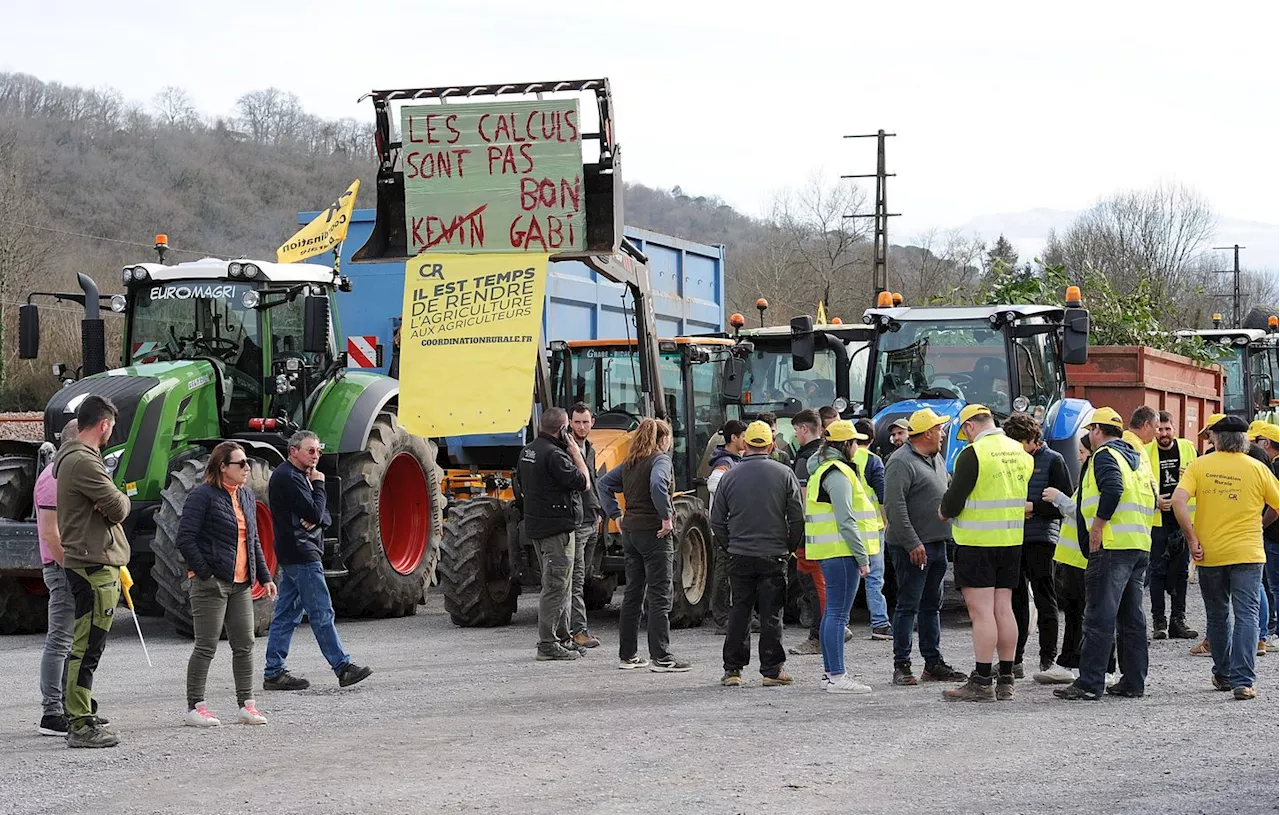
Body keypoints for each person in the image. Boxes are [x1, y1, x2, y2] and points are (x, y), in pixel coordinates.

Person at [1173, 414, 1279, 700]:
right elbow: (1278, 504)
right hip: (1248, 551)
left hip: (1210, 552)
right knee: (1247, 615)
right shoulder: (1257, 468)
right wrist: (1261, 523)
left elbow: (1177, 501)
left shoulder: (1199, 466)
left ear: (1216, 439)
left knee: (1218, 615)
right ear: (1244, 440)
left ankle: (1223, 673)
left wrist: (1192, 537)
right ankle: (1243, 681)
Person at [1054, 407, 1156, 701]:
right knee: (1131, 618)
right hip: (1137, 545)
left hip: (1111, 547)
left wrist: (1097, 527)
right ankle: (1133, 682)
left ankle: (1089, 683)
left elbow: (1112, 488)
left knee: (1099, 616)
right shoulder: (1136, 459)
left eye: (1089, 431)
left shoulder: (1104, 456)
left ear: (1097, 431)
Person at [176, 442, 277, 727]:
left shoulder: (245, 495)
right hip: (212, 584)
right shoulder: (203, 496)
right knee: (206, 645)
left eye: (247, 463)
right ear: (223, 467)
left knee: (245, 644)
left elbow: (253, 539)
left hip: (241, 584)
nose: (247, 468)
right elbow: (185, 538)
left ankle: (247, 705)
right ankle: (195, 707)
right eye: (241, 463)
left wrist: (265, 577)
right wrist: (206, 572)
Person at [940, 404, 1033, 702]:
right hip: (1011, 541)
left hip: (977, 541)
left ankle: (981, 680)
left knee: (981, 613)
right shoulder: (1020, 452)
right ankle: (1006, 678)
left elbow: (953, 502)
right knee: (1003, 608)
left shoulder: (973, 454)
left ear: (968, 426)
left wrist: (943, 511)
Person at [264, 430, 372, 687]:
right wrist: (321, 486)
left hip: (295, 553)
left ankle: (273, 672)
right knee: (321, 612)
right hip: (302, 554)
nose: (316, 456)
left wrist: (318, 517)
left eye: (318, 451)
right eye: (310, 451)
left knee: (287, 614)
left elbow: (323, 517)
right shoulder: (291, 477)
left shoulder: (296, 476)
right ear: (293, 451)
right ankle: (342, 666)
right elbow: (315, 511)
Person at [54, 395, 130, 748]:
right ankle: (80, 723)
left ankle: (81, 710)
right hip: (93, 564)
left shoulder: (77, 459)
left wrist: (110, 502)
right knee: (86, 646)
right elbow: (118, 507)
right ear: (103, 425)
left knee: (88, 645)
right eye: (111, 425)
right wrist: (116, 499)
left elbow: (109, 506)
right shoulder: (84, 462)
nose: (112, 431)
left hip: (91, 560)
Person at [712, 421, 805, 687]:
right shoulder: (784, 473)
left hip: (739, 554)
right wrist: (788, 547)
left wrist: (730, 545)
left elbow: (716, 520)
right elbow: (797, 518)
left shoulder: (729, 476)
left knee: (739, 611)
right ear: (770, 444)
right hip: (773, 554)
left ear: (746, 444)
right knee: (771, 613)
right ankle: (772, 671)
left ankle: (733, 671)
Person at [598, 418, 692, 672]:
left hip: (630, 532)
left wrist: (616, 514)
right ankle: (661, 656)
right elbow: (657, 484)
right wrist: (666, 517)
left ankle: (627, 655)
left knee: (633, 593)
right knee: (660, 594)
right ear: (664, 439)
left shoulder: (630, 462)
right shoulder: (660, 460)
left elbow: (603, 483)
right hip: (654, 533)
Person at [883, 408, 968, 686]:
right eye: (940, 429)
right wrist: (912, 542)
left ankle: (933, 663)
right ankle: (902, 665)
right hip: (912, 548)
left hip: (936, 544)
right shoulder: (900, 462)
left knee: (932, 606)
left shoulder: (936, 458)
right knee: (908, 605)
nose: (943, 434)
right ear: (928, 433)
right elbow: (895, 508)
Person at [1037, 433, 1120, 687]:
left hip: (1085, 556)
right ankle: (1068, 663)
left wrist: (1059, 499)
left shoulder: (1097, 475)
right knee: (1075, 613)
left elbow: (1084, 512)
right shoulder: (1089, 476)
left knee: (1091, 614)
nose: (1080, 458)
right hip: (1075, 556)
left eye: (1083, 453)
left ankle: (1102, 667)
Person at [515, 408, 591, 661]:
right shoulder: (556, 455)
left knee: (562, 584)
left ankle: (563, 636)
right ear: (562, 429)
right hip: (557, 531)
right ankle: (548, 643)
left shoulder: (528, 451)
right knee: (557, 587)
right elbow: (583, 482)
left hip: (537, 527)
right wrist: (576, 453)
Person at [804, 420, 874, 694]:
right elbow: (847, 520)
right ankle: (836, 675)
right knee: (837, 614)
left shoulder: (822, 469)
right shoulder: (838, 473)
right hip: (842, 552)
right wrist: (862, 556)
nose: (857, 447)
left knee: (832, 613)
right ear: (846, 445)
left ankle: (831, 673)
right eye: (855, 442)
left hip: (830, 551)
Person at [1002, 412, 1072, 678]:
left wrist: (1033, 507)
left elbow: (1065, 505)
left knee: (1045, 598)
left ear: (1033, 439)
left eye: (1019, 442)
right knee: (1016, 600)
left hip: (1042, 538)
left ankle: (1047, 659)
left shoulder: (1054, 461)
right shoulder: (1009, 459)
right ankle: (1015, 660)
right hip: (1012, 538)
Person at [35, 419, 80, 738]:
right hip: (62, 567)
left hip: (69, 566)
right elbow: (52, 534)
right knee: (60, 639)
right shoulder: (53, 477)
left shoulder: (64, 473)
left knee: (70, 640)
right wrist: (71, 568)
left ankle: (68, 704)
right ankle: (52, 711)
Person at [1145, 411, 1199, 640]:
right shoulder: (1146, 451)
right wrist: (1155, 501)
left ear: (1174, 429)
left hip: (1183, 521)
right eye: (1160, 429)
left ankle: (1179, 620)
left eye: (1168, 429)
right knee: (1156, 572)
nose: (1163, 434)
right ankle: (1159, 621)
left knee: (1180, 573)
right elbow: (1139, 482)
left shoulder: (1187, 448)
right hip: (1157, 520)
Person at [788, 408, 829, 656]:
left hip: (812, 531)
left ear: (804, 429)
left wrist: (796, 533)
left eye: (796, 430)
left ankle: (820, 634)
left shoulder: (806, 458)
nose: (795, 435)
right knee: (815, 578)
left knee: (813, 581)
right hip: (827, 530)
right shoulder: (827, 452)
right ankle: (832, 626)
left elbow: (801, 502)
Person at [566, 403, 602, 649]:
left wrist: (599, 511)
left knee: (584, 576)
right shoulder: (566, 450)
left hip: (592, 519)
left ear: (592, 423)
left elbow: (594, 480)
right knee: (575, 580)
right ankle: (577, 632)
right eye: (577, 422)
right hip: (577, 523)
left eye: (585, 422)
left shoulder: (589, 448)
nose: (581, 427)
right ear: (569, 422)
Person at [852, 418, 891, 641]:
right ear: (873, 438)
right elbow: (883, 496)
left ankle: (842, 623)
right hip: (873, 527)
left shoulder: (842, 459)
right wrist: (886, 522)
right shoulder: (874, 461)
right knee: (875, 578)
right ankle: (879, 623)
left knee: (849, 578)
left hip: (847, 528)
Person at [708, 419, 748, 633]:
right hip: (725, 527)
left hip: (732, 526)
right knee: (723, 573)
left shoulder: (734, 460)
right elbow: (713, 483)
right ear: (734, 438)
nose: (746, 440)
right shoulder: (724, 462)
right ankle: (722, 617)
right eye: (743, 436)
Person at [1254, 423, 1280, 647]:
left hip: (1275, 535)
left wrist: (1260, 525)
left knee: (1274, 586)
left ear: (1266, 443)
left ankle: (1276, 631)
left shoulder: (1273, 469)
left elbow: (1275, 506)